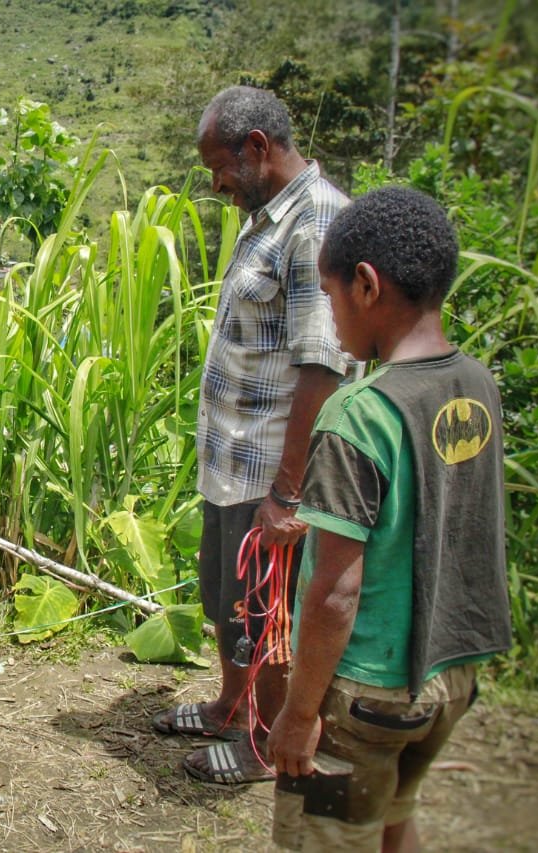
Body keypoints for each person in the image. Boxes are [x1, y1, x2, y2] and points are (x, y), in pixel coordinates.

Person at [267, 187, 510, 850]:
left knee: (327, 836)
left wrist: (299, 713)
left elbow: (336, 591)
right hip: (450, 675)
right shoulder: (477, 384)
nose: (331, 316)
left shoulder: (360, 412)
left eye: (330, 294)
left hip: (365, 697)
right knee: (395, 816)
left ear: (366, 285)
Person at [152, 86, 350, 785]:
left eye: (220, 167)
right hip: (232, 460)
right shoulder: (267, 215)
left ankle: (264, 744)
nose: (216, 185)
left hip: (271, 467)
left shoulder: (316, 221)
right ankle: (229, 707)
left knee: (266, 614)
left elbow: (321, 365)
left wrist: (289, 494)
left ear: (258, 148)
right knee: (231, 602)